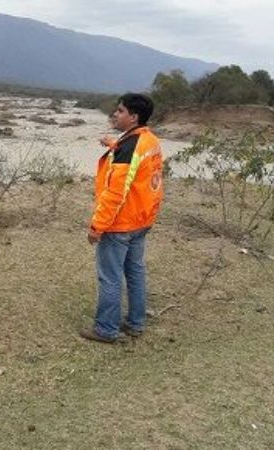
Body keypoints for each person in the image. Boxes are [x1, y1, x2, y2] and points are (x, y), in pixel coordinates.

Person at [80, 93, 164, 343]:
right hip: (142, 220)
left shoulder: (129, 148)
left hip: (121, 224)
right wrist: (113, 145)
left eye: (120, 110)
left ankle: (106, 329)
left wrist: (97, 226)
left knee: (110, 276)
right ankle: (136, 323)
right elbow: (140, 171)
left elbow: (116, 192)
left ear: (134, 117)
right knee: (135, 271)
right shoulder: (149, 140)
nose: (115, 114)